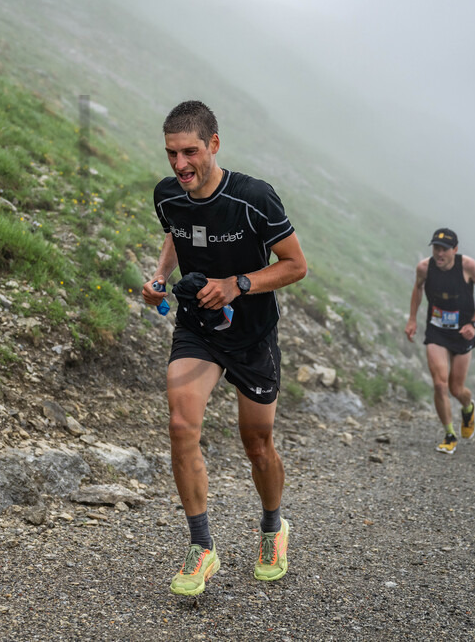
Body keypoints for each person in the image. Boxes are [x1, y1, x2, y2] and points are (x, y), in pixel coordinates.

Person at [142, 100, 307, 596]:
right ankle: (201, 545)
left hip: (253, 335)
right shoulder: (168, 194)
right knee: (180, 424)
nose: (179, 165)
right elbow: (175, 232)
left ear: (214, 144)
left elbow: (296, 265)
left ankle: (273, 528)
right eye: (171, 153)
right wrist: (160, 277)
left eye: (189, 151)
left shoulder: (255, 197)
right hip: (198, 328)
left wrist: (238, 283)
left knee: (256, 443)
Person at [405, 228, 475, 454]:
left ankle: (468, 407)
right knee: (439, 384)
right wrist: (412, 319)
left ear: (455, 250)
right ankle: (449, 434)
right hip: (437, 331)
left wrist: (473, 324)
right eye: (436, 248)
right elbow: (418, 288)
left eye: (444, 249)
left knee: (456, 388)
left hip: (463, 333)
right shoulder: (424, 267)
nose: (439, 254)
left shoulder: (468, 267)